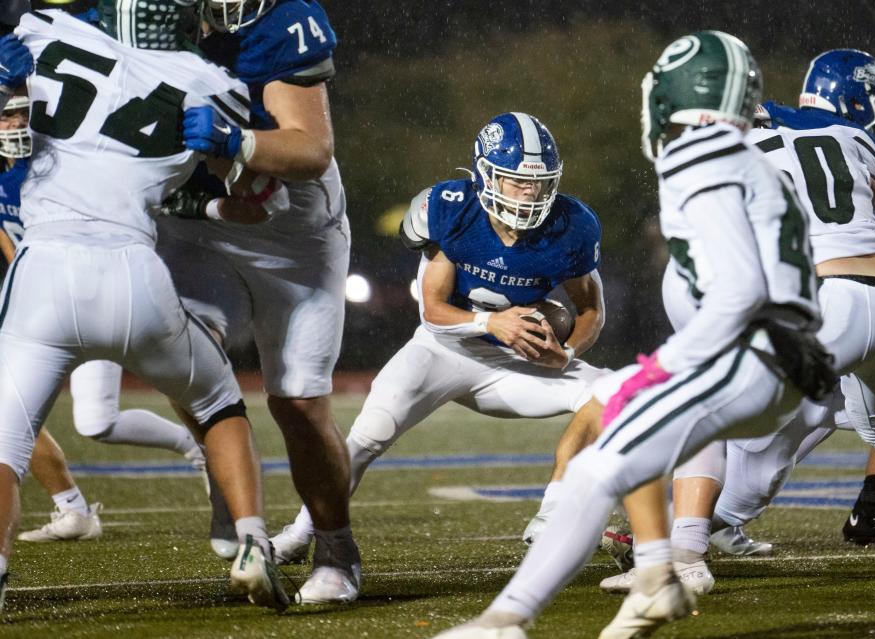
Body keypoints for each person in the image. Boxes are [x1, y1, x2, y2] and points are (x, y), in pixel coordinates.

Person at [431, 31, 833, 638]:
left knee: (600, 461)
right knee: (616, 408)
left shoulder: (699, 158)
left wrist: (681, 360)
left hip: (746, 356)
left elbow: (740, 292)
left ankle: (507, 620)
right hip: (784, 357)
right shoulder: (757, 158)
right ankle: (655, 575)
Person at [0, 1, 286, 610]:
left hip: (43, 271)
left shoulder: (42, 32)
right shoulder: (213, 83)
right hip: (135, 275)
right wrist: (232, 151)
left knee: (6, 443)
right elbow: (262, 193)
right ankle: (252, 543)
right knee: (216, 403)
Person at [658, 49, 875, 595]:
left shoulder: (734, 139)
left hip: (826, 304)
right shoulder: (856, 142)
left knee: (706, 406)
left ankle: (682, 554)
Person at [270, 110, 608, 566]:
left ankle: (551, 520)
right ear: (487, 174)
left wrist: (565, 353)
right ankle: (300, 533)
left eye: (539, 182)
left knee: (613, 392)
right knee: (369, 434)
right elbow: (433, 310)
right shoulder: (453, 207)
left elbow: (591, 309)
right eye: (515, 180)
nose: (530, 192)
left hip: (513, 363)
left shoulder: (572, 225)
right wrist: (492, 323)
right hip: (443, 349)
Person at [156, 0, 359, 604]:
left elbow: (309, 149)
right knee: (180, 354)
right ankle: (230, 483)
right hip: (198, 222)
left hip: (290, 233)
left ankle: (336, 548)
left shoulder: (285, 21)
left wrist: (236, 140)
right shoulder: (134, 19)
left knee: (298, 402)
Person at [0, 90, 208, 544]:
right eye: (7, 116)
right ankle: (74, 511)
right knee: (77, 421)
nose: (15, 125)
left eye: (21, 115)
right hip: (46, 308)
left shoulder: (58, 165)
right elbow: (14, 251)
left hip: (99, 289)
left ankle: (206, 445)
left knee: (181, 385)